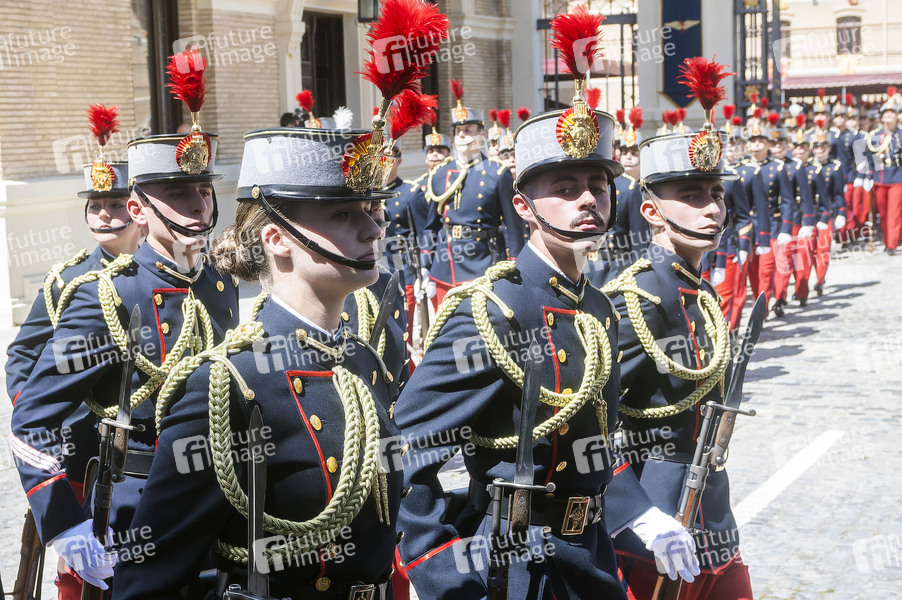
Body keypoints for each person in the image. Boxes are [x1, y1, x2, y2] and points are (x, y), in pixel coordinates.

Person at [113, 125, 404, 600]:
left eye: (371, 211)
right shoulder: (225, 383)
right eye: (342, 214)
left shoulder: (363, 361)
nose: (373, 228)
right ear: (277, 239)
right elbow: (148, 581)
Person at [395, 9, 625, 597]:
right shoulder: (491, 311)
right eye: (565, 189)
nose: (587, 200)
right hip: (516, 567)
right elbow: (405, 448)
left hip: (592, 559)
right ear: (523, 207)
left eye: (598, 185)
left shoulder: (598, 307)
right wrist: (440, 568)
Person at [10, 49, 238, 592]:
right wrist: (65, 525)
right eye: (177, 194)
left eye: (203, 191)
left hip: (224, 498)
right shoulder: (105, 296)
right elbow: (31, 422)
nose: (198, 206)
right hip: (139, 507)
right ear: (139, 210)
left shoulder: (219, 283)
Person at [603, 57, 753, 600]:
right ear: (650, 211)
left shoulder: (700, 290)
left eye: (716, 194)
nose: (712, 209)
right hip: (659, 523)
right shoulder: (632, 301)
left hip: (714, 512)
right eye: (692, 197)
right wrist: (634, 513)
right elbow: (584, 427)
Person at [6, 104, 144, 600]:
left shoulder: (165, 278)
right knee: (82, 577)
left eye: (116, 203)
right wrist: (44, 415)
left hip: (152, 460)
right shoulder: (65, 280)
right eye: (95, 205)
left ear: (140, 209)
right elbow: (22, 358)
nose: (104, 214)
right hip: (85, 452)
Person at [423, 80, 525, 306]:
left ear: (481, 135)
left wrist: (514, 265)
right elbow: (432, 225)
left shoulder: (497, 173)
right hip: (445, 264)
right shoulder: (441, 173)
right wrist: (425, 264)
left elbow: (513, 227)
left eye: (468, 130)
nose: (462, 136)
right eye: (458, 131)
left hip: (483, 262)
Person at [809, 125, 847, 296]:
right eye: (816, 147)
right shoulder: (806, 166)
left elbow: (838, 193)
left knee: (823, 249)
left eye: (822, 147)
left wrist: (841, 213)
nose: (819, 150)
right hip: (810, 213)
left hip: (827, 211)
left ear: (829, 148)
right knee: (809, 250)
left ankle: (820, 280)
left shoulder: (835, 167)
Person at [866, 88, 902, 254]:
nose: (888, 116)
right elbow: (869, 156)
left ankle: (892, 244)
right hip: (880, 177)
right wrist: (867, 176)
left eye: (891, 113)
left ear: (897, 116)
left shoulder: (900, 134)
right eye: (885, 113)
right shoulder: (875, 135)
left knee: (894, 212)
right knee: (883, 213)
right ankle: (887, 240)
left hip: (897, 176)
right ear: (881, 117)